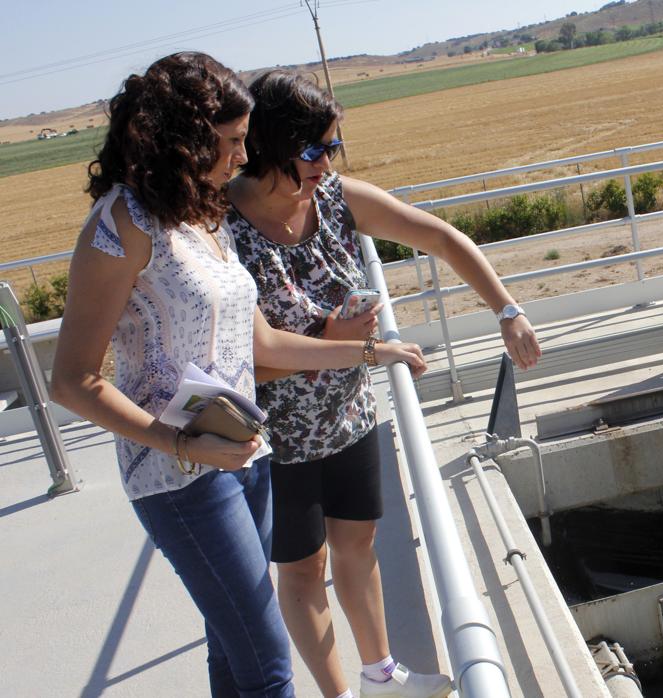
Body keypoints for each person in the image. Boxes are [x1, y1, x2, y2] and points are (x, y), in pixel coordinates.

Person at [50, 53, 428, 698]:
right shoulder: (121, 224)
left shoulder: (202, 217)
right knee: (266, 658)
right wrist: (180, 443)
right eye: (229, 142)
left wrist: (372, 354)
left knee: (233, 653)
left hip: (244, 456)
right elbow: (73, 380)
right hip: (178, 476)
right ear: (181, 139)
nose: (242, 156)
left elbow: (266, 342)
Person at [225, 70, 541, 698]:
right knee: (303, 570)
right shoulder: (222, 227)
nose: (325, 163)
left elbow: (440, 237)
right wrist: (355, 343)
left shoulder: (336, 199)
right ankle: (340, 695)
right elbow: (242, 359)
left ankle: (381, 677)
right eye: (312, 150)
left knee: (358, 543)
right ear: (270, 144)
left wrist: (508, 310)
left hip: (348, 416)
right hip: (275, 440)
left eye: (331, 148)